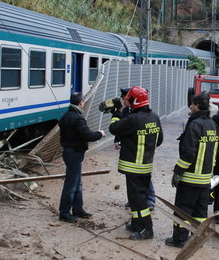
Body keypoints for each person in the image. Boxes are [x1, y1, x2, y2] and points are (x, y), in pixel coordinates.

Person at [108, 86, 163, 240]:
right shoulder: (154, 117)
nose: (126, 100)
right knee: (137, 198)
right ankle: (136, 224)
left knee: (138, 200)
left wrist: (116, 113)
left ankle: (147, 229)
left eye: (128, 98)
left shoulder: (133, 119)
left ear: (134, 100)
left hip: (133, 166)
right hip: (146, 166)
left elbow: (114, 128)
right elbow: (159, 141)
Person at [167, 94, 218, 248]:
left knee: (183, 211)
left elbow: (188, 153)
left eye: (192, 104)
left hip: (190, 179)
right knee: (200, 213)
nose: (190, 107)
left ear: (197, 105)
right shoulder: (212, 125)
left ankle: (179, 240)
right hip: (205, 179)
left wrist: (178, 172)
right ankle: (198, 240)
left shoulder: (195, 125)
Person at [57, 92, 105, 223]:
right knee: (71, 183)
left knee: (77, 182)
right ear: (81, 103)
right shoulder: (78, 118)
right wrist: (99, 134)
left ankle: (78, 209)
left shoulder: (66, 116)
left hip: (68, 152)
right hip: (75, 153)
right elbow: (87, 135)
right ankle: (64, 212)